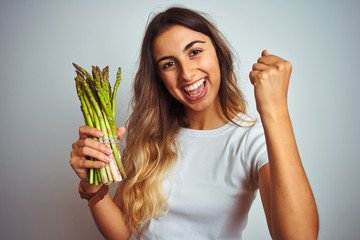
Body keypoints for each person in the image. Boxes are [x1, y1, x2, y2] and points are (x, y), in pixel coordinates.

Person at [70, 6, 319, 240]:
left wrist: (275, 109)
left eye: (195, 52)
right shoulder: (151, 135)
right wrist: (93, 189)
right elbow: (122, 232)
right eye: (169, 64)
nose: (187, 74)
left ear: (218, 54)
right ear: (160, 79)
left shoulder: (251, 140)